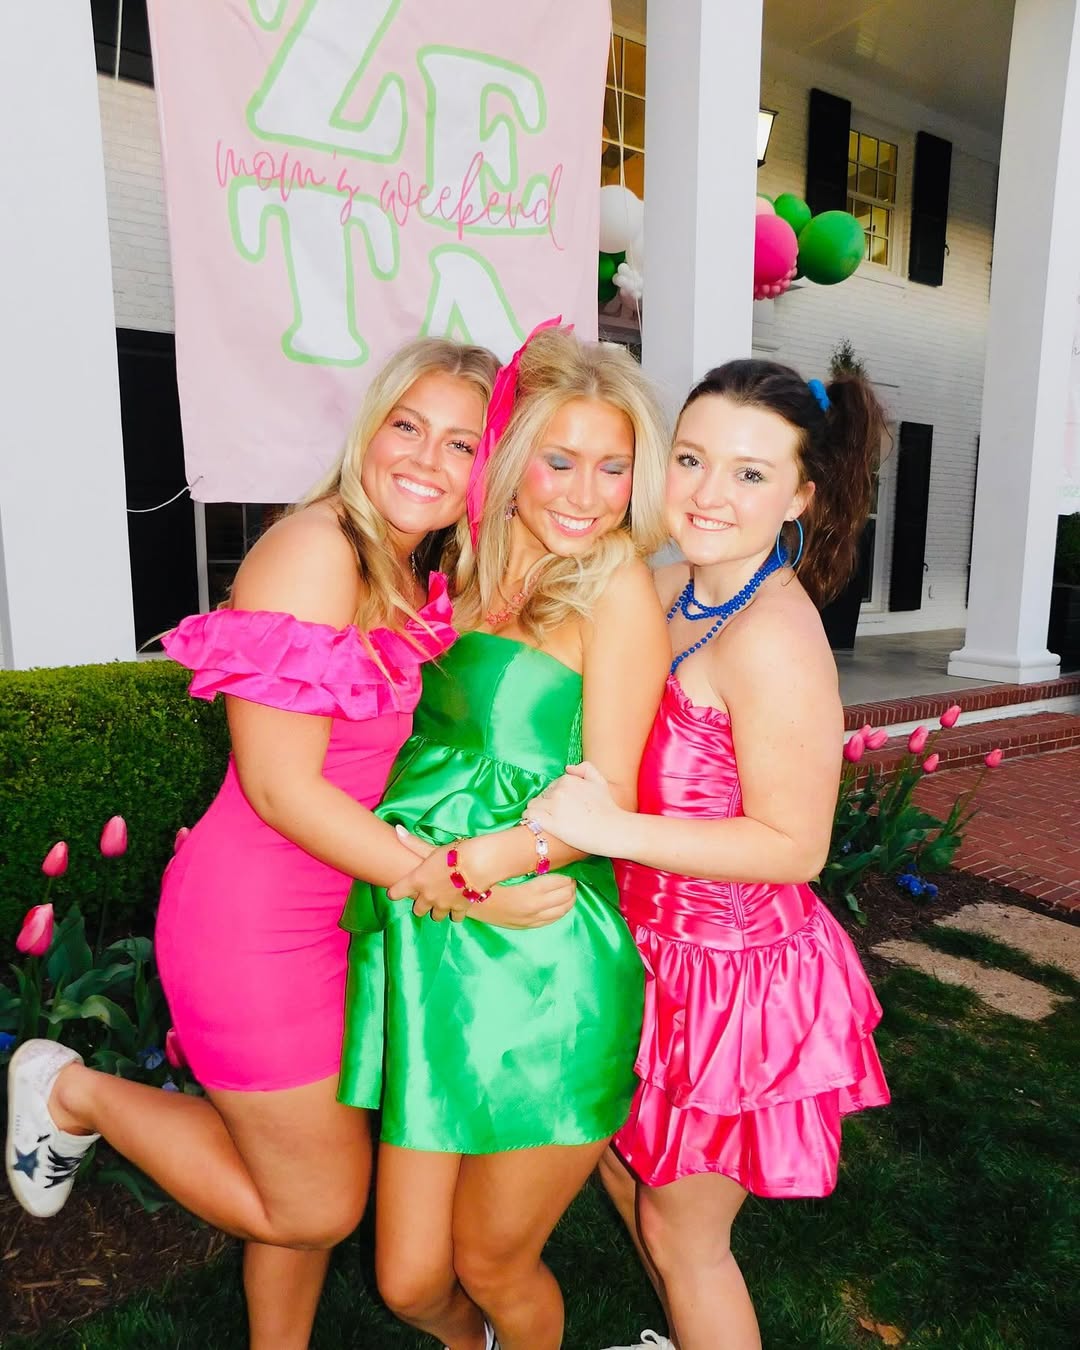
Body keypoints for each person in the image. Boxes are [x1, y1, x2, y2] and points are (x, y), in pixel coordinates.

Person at [7, 336, 562, 1350]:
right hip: (254, 927)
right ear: (370, 429)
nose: (426, 459)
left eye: (460, 445)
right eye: (408, 426)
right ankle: (69, 1090)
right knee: (316, 1203)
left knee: (301, 1168)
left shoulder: (399, 567)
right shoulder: (318, 550)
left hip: (340, 916)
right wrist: (451, 882)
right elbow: (279, 785)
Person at [527, 359, 893, 1350]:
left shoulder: (775, 639)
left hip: (730, 979)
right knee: (624, 1170)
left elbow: (795, 846)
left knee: (685, 1238)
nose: (707, 493)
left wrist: (609, 832)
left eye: (749, 473)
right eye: (691, 459)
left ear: (800, 497)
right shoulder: (666, 585)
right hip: (643, 951)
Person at [337, 325, 671, 1350]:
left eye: (613, 466)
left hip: (543, 954)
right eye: (560, 460)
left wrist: (473, 865)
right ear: (514, 456)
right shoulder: (461, 566)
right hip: (430, 936)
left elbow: (608, 798)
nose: (586, 493)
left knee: (492, 1262)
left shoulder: (615, 587)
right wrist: (428, 876)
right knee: (406, 1279)